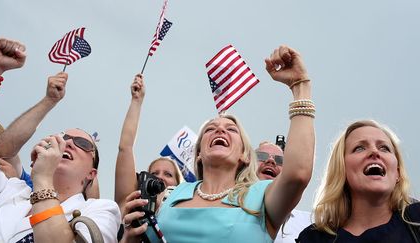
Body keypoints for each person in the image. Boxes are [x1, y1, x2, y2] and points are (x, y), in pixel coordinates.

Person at [121, 44, 315, 242]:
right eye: (210, 129)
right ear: (198, 153)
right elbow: (124, 152)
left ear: (245, 155)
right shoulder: (167, 196)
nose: (220, 130)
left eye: (231, 129)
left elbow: (297, 173)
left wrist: (300, 85)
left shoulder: (262, 196)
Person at [0, 72, 121, 242]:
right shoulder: (10, 189)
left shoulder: (100, 210)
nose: (68, 143)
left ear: (91, 174)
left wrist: (43, 178)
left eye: (83, 143)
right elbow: (2, 150)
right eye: (62, 138)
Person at [296, 120, 420, 242]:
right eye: (359, 148)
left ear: (397, 173)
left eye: (384, 148)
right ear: (341, 170)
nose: (374, 152)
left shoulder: (416, 219)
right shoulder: (314, 238)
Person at [115, 74, 184, 242]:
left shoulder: (186, 212)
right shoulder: (132, 204)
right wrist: (136, 101)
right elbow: (125, 148)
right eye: (154, 173)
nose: (159, 177)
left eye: (168, 174)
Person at [255, 141, 312, 243]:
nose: (271, 161)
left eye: (280, 160)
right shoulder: (226, 210)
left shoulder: (309, 222)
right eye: (262, 156)